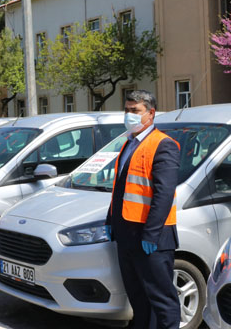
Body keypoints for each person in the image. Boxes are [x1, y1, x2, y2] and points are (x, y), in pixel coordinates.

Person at [105, 90, 180, 329]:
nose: (129, 115)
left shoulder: (163, 144)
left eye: (135, 111)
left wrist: (151, 234)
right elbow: (121, 188)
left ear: (151, 113)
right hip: (127, 234)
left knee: (162, 300)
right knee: (138, 299)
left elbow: (164, 194)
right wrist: (111, 221)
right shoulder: (129, 143)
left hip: (151, 238)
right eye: (127, 110)